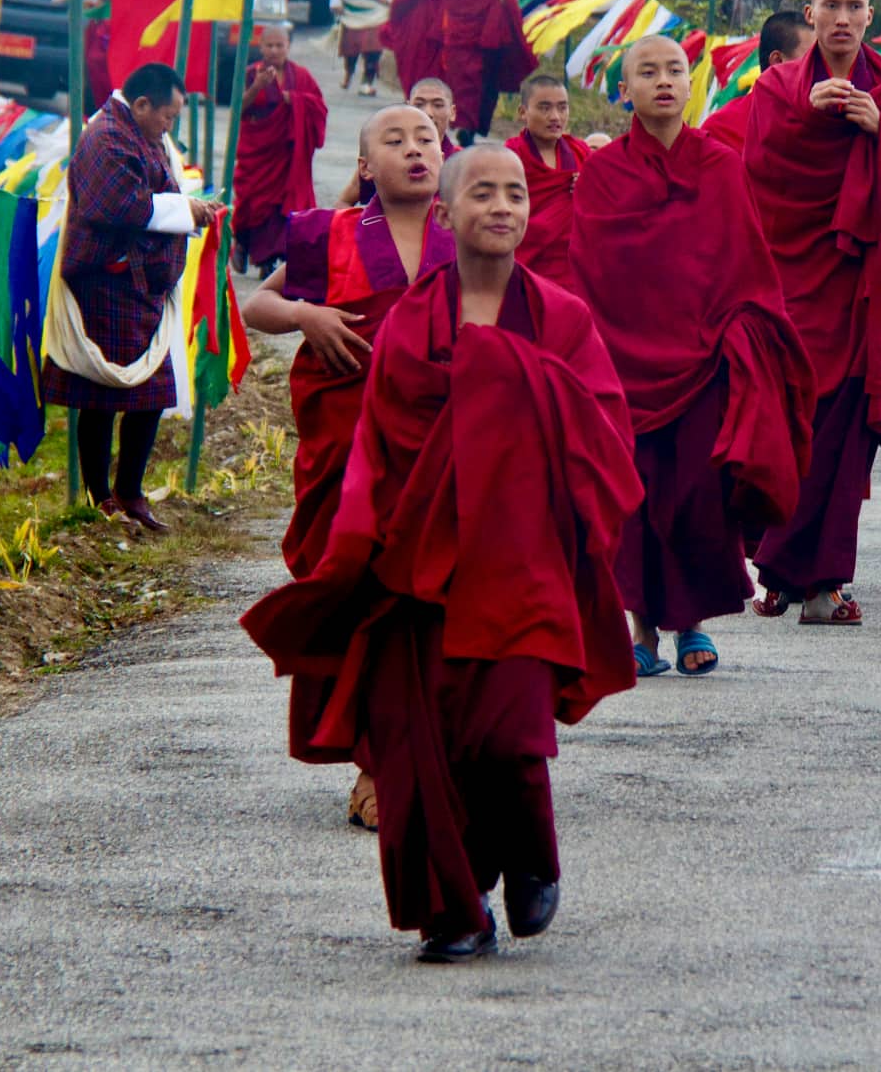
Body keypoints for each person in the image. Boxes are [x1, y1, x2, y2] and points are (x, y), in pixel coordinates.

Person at [242, 147, 641, 963]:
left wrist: (508, 377)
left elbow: (605, 436)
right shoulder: (412, 325)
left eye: (516, 193)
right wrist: (358, 553)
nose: (502, 206)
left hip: (525, 561)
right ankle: (454, 909)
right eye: (483, 193)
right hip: (423, 566)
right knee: (422, 745)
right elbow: (378, 451)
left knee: (509, 736)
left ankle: (530, 853)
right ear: (447, 215)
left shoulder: (562, 318)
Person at [574, 37, 815, 675]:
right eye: (646, 73)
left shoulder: (720, 164)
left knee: (695, 497)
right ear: (623, 89)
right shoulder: (601, 175)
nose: (662, 82)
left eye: (674, 71)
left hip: (704, 359)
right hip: (625, 364)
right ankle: (642, 631)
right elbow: (591, 272)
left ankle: (692, 626)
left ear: (692, 84)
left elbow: (746, 264)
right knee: (635, 500)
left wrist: (741, 336)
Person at [245, 105, 457, 830]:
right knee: (364, 600)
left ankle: (431, 752)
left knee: (433, 605)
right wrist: (309, 318)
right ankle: (375, 762)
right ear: (366, 167)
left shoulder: (464, 234)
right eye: (393, 142)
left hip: (441, 455)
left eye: (426, 139)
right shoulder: (327, 234)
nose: (413, 150)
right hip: (349, 459)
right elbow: (257, 303)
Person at [743, 0, 881, 624]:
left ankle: (821, 582)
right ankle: (777, 570)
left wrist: (880, 133)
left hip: (864, 290)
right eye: (829, 5)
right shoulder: (776, 90)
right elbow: (756, 176)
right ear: (810, 15)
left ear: (871, 17)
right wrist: (803, 123)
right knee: (787, 426)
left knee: (842, 435)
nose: (840, 17)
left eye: (853, 6)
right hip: (796, 288)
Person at [41, 64, 216, 533]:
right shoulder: (106, 139)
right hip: (108, 283)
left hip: (141, 287)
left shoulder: (136, 130)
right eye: (168, 117)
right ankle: (103, 496)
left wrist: (191, 209)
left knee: (150, 395)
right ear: (141, 105)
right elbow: (117, 205)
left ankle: (130, 491)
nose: (170, 127)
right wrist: (188, 210)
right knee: (100, 397)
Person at [233, 26, 329, 277]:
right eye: (269, 46)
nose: (274, 50)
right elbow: (236, 110)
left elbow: (318, 107)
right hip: (257, 149)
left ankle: (270, 261)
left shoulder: (301, 75)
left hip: (286, 154)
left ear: (288, 46)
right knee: (254, 205)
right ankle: (243, 245)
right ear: (261, 47)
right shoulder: (249, 74)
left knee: (281, 209)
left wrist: (293, 99)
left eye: (280, 45)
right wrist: (257, 87)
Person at [504, 74, 592, 288]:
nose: (555, 117)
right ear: (523, 112)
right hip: (525, 266)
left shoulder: (581, 153)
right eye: (544, 108)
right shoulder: (510, 156)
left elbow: (602, 209)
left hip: (572, 271)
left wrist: (590, 189)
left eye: (562, 108)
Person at [444, 0, 535, 144]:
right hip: (463, 44)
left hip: (490, 48)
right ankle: (464, 127)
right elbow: (453, 6)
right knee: (464, 87)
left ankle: (472, 129)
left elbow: (513, 11)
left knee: (485, 90)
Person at [700, 11, 814, 156]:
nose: (821, 69)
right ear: (777, 62)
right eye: (811, 60)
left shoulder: (826, 123)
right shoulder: (721, 130)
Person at [337, 78, 461, 209]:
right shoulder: (385, 158)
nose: (428, 113)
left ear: (452, 112)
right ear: (408, 107)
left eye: (438, 105)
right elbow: (343, 202)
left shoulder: (462, 162)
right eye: (419, 104)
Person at [385, 0, 451, 97]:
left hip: (439, 39)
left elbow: (462, 4)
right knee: (414, 77)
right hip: (415, 39)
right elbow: (396, 8)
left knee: (440, 82)